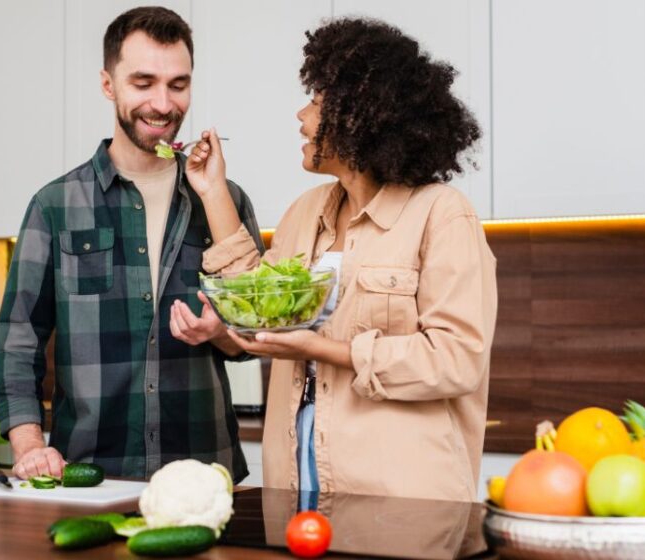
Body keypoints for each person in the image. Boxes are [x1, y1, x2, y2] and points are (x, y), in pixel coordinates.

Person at [171, 17, 497, 500]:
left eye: (317, 102)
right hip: (296, 477)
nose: (301, 116)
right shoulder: (305, 212)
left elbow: (456, 360)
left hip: (401, 494)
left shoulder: (441, 214)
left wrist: (321, 349)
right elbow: (264, 303)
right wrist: (212, 190)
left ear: (362, 115)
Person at [0, 6, 263, 482]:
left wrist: (218, 333)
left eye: (178, 85)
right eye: (143, 83)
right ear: (107, 84)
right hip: (89, 473)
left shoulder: (225, 198)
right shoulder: (55, 205)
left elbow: (257, 336)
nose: (163, 103)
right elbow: (19, 340)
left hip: (206, 474)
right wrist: (30, 445)